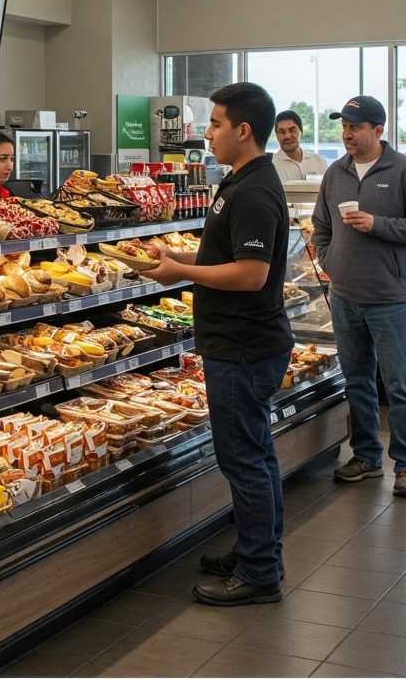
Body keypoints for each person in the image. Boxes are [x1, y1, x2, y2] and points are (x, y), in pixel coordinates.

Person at [140, 82, 292, 606]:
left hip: (243, 345)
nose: (206, 133)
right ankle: (258, 551)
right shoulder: (239, 180)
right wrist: (178, 255)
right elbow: (224, 252)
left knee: (243, 459)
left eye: (215, 123)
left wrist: (181, 272)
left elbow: (251, 274)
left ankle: (259, 572)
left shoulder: (253, 191)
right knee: (256, 454)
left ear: (243, 130)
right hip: (242, 342)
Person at [311, 96, 406, 498]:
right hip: (344, 295)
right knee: (357, 381)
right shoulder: (336, 172)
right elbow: (320, 226)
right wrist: (331, 261)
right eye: (343, 126)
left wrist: (376, 224)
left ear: (378, 130)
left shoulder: (405, 170)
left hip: (390, 297)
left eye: (355, 126)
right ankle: (366, 457)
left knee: (399, 385)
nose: (346, 134)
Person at [272, 110, 328, 181]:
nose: (287, 136)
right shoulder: (271, 166)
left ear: (301, 132)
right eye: (281, 132)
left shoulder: (319, 161)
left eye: (292, 130)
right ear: (276, 135)